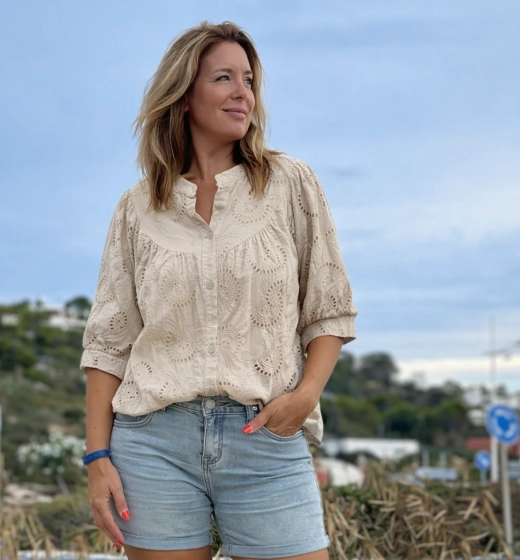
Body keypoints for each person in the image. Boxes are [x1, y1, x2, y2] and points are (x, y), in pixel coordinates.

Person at [81, 21, 357, 560]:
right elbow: (109, 344)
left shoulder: (290, 183)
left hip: (265, 435)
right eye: (224, 78)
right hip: (153, 444)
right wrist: (97, 458)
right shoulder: (137, 208)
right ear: (184, 94)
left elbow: (328, 310)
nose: (242, 94)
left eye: (248, 80)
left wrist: (305, 398)